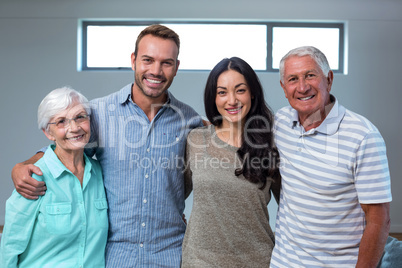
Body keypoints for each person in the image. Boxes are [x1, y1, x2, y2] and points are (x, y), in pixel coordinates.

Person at [10, 25, 203, 267]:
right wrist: (24, 165)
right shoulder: (99, 113)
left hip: (171, 256)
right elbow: (63, 149)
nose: (156, 70)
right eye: (147, 60)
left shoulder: (190, 121)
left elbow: (221, 148)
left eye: (166, 62)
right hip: (112, 257)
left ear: (176, 67)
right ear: (133, 60)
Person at [270, 46, 392, 268]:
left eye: (310, 75)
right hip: (282, 263)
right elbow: (239, 128)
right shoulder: (281, 122)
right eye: (293, 79)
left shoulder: (363, 136)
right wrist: (202, 124)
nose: (303, 87)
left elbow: (379, 220)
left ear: (329, 79)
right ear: (284, 88)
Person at [181, 57, 281, 267]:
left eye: (240, 90)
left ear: (252, 93)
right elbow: (174, 195)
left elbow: (291, 211)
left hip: (258, 261)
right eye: (222, 92)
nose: (232, 100)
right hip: (200, 262)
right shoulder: (196, 140)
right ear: (214, 98)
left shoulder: (272, 145)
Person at [1, 87, 108, 267]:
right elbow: (11, 247)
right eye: (61, 122)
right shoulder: (33, 178)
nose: (74, 128)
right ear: (48, 132)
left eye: (80, 117)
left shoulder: (100, 174)